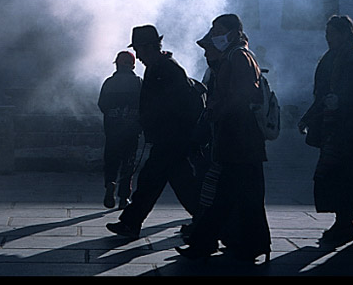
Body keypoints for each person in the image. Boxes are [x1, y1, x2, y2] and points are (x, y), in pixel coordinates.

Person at [176, 14, 271, 262]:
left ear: (232, 32)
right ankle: (253, 243)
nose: (214, 34)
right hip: (241, 140)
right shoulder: (236, 55)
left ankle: (204, 242)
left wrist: (217, 110)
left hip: (239, 138)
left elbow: (244, 94)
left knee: (226, 194)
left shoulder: (237, 56)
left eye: (218, 30)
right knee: (244, 195)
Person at [106, 25, 202, 239]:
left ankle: (209, 223)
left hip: (172, 138)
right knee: (161, 182)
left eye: (139, 50)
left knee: (166, 183)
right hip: (168, 138)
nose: (137, 56)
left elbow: (170, 106)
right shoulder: (160, 66)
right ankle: (131, 222)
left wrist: (148, 122)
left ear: (150, 47)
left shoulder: (165, 68)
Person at [298, 15, 353, 246]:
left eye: (332, 34)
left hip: (348, 130)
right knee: (334, 177)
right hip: (332, 128)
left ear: (345, 34)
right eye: (327, 34)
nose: (328, 38)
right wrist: (309, 116)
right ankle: (343, 221)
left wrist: (340, 101)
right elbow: (322, 93)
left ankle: (346, 224)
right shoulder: (332, 58)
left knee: (345, 177)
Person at [98, 51, 143, 209]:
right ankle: (124, 197)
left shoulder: (109, 83)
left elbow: (102, 105)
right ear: (132, 65)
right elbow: (144, 104)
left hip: (112, 131)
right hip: (131, 132)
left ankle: (110, 183)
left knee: (111, 161)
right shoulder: (138, 82)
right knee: (128, 164)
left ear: (117, 64)